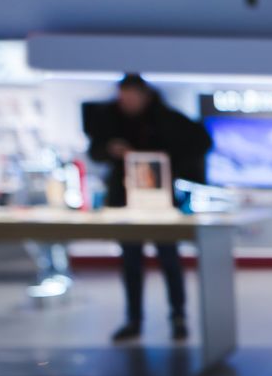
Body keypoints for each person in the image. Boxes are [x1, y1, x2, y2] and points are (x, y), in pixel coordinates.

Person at [85, 74, 212, 342]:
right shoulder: (109, 119)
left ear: (144, 95)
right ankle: (133, 319)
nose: (128, 103)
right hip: (125, 202)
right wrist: (110, 149)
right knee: (131, 262)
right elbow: (95, 151)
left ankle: (178, 316)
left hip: (161, 203)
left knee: (169, 259)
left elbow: (199, 143)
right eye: (123, 98)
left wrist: (168, 158)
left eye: (132, 97)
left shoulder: (165, 118)